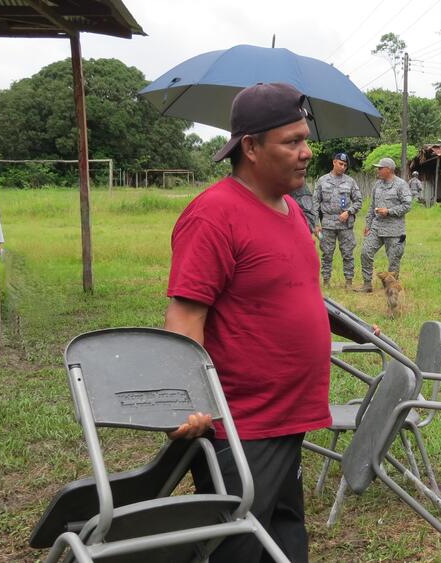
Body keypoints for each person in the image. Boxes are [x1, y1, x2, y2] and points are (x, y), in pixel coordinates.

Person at [163, 82, 330, 563]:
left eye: (305, 139)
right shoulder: (215, 214)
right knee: (235, 547)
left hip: (289, 415)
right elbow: (185, 313)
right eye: (292, 141)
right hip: (242, 424)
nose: (306, 152)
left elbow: (289, 290)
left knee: (283, 536)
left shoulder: (291, 210)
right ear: (251, 147)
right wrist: (186, 403)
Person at [355, 157, 412, 293]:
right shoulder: (377, 185)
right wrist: (368, 225)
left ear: (389, 169)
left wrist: (389, 211)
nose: (378, 170)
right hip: (377, 227)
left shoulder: (401, 185)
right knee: (365, 252)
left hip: (394, 231)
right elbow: (372, 207)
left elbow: (407, 205)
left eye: (380, 168)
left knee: (394, 259)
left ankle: (391, 288)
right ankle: (367, 284)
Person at [313, 152, 362, 289]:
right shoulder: (322, 181)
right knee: (327, 253)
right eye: (341, 164)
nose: (343, 167)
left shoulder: (350, 181)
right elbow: (315, 203)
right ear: (334, 162)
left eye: (345, 165)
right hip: (327, 224)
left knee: (347, 253)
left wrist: (349, 212)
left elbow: (358, 201)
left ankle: (348, 282)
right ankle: (326, 281)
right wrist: (316, 224)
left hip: (345, 224)